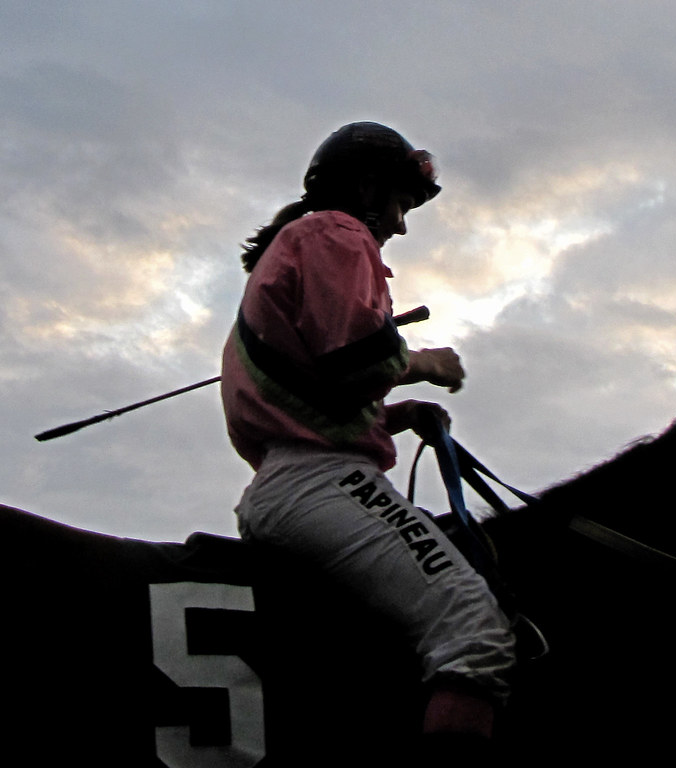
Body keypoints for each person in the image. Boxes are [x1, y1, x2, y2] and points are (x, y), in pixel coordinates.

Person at [220, 121, 516, 740]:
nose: (402, 225)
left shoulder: (299, 242)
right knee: (475, 628)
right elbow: (358, 357)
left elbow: (315, 398)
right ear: (367, 187)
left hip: (289, 486)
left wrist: (391, 419)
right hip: (319, 484)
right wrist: (425, 363)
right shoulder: (338, 232)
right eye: (402, 204)